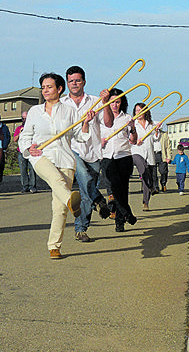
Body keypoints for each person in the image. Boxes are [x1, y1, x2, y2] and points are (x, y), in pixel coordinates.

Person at [20, 72, 91, 259]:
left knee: (59, 208)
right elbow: (24, 137)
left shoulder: (70, 111)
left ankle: (54, 246)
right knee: (54, 178)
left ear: (59, 89)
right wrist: (29, 147)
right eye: (43, 87)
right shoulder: (35, 111)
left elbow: (80, 137)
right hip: (41, 156)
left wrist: (85, 124)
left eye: (49, 87)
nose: (45, 91)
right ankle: (71, 199)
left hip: (66, 160)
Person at [64, 66, 109, 242]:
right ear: (67, 84)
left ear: (84, 81)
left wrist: (105, 103)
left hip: (93, 151)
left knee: (85, 193)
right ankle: (98, 199)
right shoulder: (62, 104)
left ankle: (81, 229)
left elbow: (108, 122)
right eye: (71, 81)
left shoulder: (96, 101)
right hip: (72, 149)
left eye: (77, 80)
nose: (74, 84)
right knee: (83, 176)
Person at [100, 88, 138, 232]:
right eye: (112, 102)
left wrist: (133, 128)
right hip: (107, 157)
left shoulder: (127, 117)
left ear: (122, 103)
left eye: (117, 102)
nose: (115, 105)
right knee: (114, 187)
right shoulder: (101, 117)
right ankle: (127, 213)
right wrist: (100, 141)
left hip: (124, 157)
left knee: (122, 190)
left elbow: (133, 141)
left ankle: (120, 221)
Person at [131, 103, 158, 211]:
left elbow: (156, 139)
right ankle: (152, 186)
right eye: (137, 110)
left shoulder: (151, 124)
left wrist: (156, 132)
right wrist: (134, 140)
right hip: (137, 152)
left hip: (149, 154)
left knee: (146, 177)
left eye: (141, 110)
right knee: (143, 169)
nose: (138, 112)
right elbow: (128, 139)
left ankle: (145, 202)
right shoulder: (133, 124)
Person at [13, 110, 37, 193]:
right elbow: (14, 139)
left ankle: (32, 186)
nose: (25, 120)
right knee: (23, 170)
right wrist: (20, 133)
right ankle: (25, 186)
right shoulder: (19, 128)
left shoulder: (34, 128)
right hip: (21, 152)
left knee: (32, 170)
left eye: (26, 118)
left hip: (31, 151)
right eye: (23, 119)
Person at [0, 112, 11, 183]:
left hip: (2, 148)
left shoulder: (4, 127)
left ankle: (0, 175)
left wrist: (5, 146)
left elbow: (8, 137)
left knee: (1, 164)